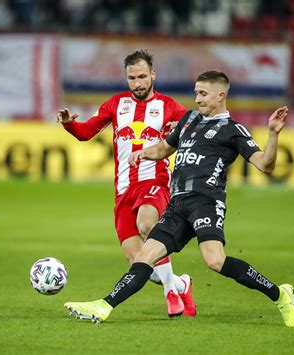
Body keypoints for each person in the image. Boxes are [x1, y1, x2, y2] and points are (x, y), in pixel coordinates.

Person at [63, 70, 294, 327]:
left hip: (205, 202)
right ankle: (104, 306)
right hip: (177, 204)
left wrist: (273, 133)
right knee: (145, 257)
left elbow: (266, 165)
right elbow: (165, 148)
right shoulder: (188, 120)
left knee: (215, 261)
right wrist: (144, 153)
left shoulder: (233, 130)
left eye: (203, 93)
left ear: (221, 95)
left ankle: (280, 294)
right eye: (196, 92)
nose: (197, 99)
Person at [56, 50, 196, 318]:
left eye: (142, 76)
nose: (138, 83)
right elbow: (86, 132)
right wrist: (69, 125)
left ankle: (170, 293)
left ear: (153, 74)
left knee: (147, 225)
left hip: (154, 182)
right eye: (132, 78)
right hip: (123, 192)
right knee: (139, 263)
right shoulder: (115, 104)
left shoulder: (169, 106)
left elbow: (196, 126)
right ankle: (181, 283)